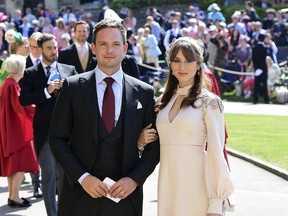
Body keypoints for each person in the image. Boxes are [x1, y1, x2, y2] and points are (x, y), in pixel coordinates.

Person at [49, 18, 160, 216]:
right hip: (78, 198)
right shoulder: (72, 87)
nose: (109, 50)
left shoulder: (144, 92)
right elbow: (57, 139)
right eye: (103, 44)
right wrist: (82, 177)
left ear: (125, 48)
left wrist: (134, 179)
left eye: (116, 44)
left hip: (125, 199)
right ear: (93, 47)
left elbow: (154, 147)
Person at [155, 37, 234, 215]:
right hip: (167, 185)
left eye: (189, 60)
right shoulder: (162, 102)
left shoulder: (209, 102)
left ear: (199, 64)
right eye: (177, 60)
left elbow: (216, 152)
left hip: (197, 185)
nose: (182, 67)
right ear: (170, 64)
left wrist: (215, 203)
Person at [19, 33, 77, 216]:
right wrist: (47, 91)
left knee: (67, 176)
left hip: (68, 134)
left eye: (55, 47)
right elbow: (23, 100)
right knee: (49, 177)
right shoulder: (31, 73)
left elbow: (79, 98)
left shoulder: (69, 70)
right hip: (45, 134)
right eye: (49, 48)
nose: (53, 51)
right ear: (40, 50)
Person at [0, 54, 39, 207]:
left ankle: (12, 195)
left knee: (13, 165)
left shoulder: (7, 83)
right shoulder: (12, 85)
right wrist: (38, 107)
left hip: (11, 129)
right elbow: (21, 105)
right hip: (18, 131)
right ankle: (15, 197)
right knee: (20, 164)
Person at [252, 34, 269, 104]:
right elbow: (264, 59)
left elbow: (254, 59)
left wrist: (257, 68)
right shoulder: (265, 47)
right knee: (264, 85)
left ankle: (255, 100)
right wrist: (261, 68)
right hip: (263, 69)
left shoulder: (254, 47)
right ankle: (266, 100)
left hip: (257, 69)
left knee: (256, 85)